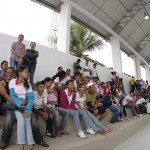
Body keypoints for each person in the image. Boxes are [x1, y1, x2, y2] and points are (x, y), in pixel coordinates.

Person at [0, 67, 49, 149]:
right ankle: (4, 141)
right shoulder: (2, 83)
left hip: (22, 104)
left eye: (11, 72)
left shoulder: (25, 83)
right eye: (7, 72)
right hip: (9, 104)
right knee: (10, 116)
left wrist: (26, 105)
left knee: (31, 117)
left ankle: (38, 140)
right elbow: (7, 95)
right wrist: (19, 104)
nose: (9, 74)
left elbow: (29, 97)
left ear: (14, 74)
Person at [9, 65, 34, 150]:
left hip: (26, 107)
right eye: (26, 71)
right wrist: (20, 104)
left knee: (27, 121)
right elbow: (13, 96)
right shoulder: (12, 82)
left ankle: (30, 145)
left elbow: (31, 98)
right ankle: (21, 146)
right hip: (16, 106)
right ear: (20, 73)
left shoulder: (28, 84)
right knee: (21, 121)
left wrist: (27, 109)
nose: (28, 73)